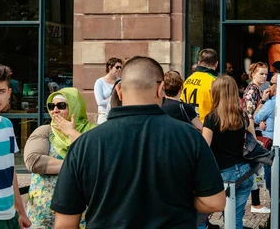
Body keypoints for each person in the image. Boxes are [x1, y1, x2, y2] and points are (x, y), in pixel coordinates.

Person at [51, 56, 226, 228]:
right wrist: (182, 200)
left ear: (119, 90)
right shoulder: (189, 137)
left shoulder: (85, 144)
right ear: (161, 89)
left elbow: (65, 223)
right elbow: (215, 202)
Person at [24, 88, 96, 228]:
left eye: (61, 106)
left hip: (82, 211)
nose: (55, 110)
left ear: (76, 107)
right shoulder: (45, 131)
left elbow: (98, 158)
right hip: (44, 212)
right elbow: (34, 161)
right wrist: (76, 166)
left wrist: (71, 133)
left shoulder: (93, 132)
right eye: (51, 106)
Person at [202, 76, 256, 229]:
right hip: (244, 172)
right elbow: (254, 140)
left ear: (216, 93)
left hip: (223, 174)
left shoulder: (211, 117)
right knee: (235, 219)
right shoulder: (242, 115)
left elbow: (204, 148)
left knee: (202, 215)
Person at [0, 64, 30, 229]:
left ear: (9, 93)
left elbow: (11, 171)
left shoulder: (7, 125)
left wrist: (20, 211)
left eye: (0, 91)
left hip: (10, 214)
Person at [242, 62, 270, 214]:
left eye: (266, 74)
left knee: (257, 169)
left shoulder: (257, 89)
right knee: (256, 169)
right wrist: (254, 137)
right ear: (253, 74)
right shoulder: (252, 90)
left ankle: (256, 202)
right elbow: (249, 117)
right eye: (261, 74)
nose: (264, 76)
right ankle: (256, 203)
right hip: (253, 135)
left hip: (255, 131)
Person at [182, 49, 219, 123]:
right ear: (216, 64)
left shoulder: (188, 80)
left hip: (187, 126)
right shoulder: (216, 81)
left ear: (199, 63)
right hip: (206, 128)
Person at [93, 57, 122, 124]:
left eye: (121, 67)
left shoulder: (120, 81)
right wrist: (113, 99)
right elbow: (100, 102)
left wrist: (108, 99)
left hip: (117, 114)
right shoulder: (99, 82)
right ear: (110, 67)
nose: (119, 69)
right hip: (104, 115)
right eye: (117, 67)